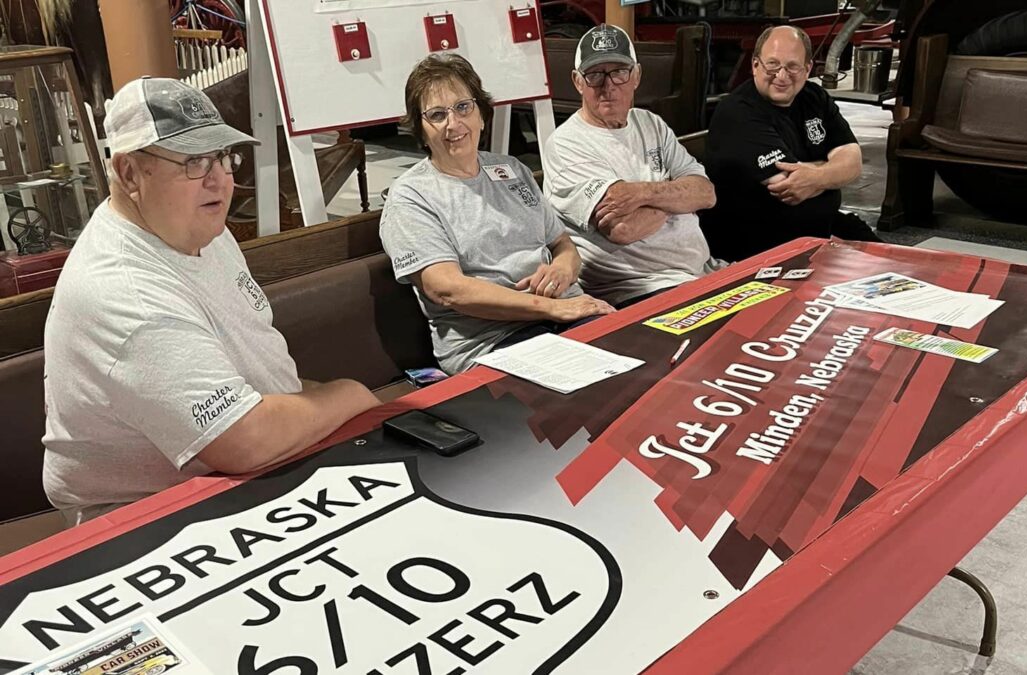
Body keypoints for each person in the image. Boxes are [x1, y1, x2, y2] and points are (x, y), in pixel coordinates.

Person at [42, 77, 380, 526]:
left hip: (249, 469)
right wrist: (353, 395)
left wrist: (317, 402)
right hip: (145, 519)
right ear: (128, 173)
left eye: (223, 156)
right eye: (195, 161)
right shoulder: (126, 292)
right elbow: (242, 440)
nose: (221, 179)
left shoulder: (197, 229)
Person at [379, 54, 613, 375]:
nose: (453, 124)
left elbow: (562, 244)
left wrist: (561, 269)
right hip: (491, 340)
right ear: (420, 129)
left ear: (481, 115)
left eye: (463, 107)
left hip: (563, 314)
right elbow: (447, 290)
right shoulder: (411, 196)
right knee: (596, 386)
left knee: (647, 362)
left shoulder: (511, 169)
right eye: (437, 115)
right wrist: (552, 308)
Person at [542, 24, 719, 309]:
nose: (608, 85)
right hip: (641, 288)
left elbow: (706, 193)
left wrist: (640, 194)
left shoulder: (650, 124)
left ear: (636, 76)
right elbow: (623, 228)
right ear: (577, 81)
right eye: (595, 74)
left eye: (619, 72)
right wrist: (677, 198)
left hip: (701, 270)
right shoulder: (565, 144)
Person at [702, 25, 881, 262]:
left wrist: (815, 175)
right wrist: (831, 168)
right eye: (772, 64)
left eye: (793, 66)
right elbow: (791, 187)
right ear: (755, 65)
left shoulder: (814, 97)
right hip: (759, 248)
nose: (782, 75)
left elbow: (854, 162)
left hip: (820, 230)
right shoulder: (737, 113)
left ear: (807, 69)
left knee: (909, 272)